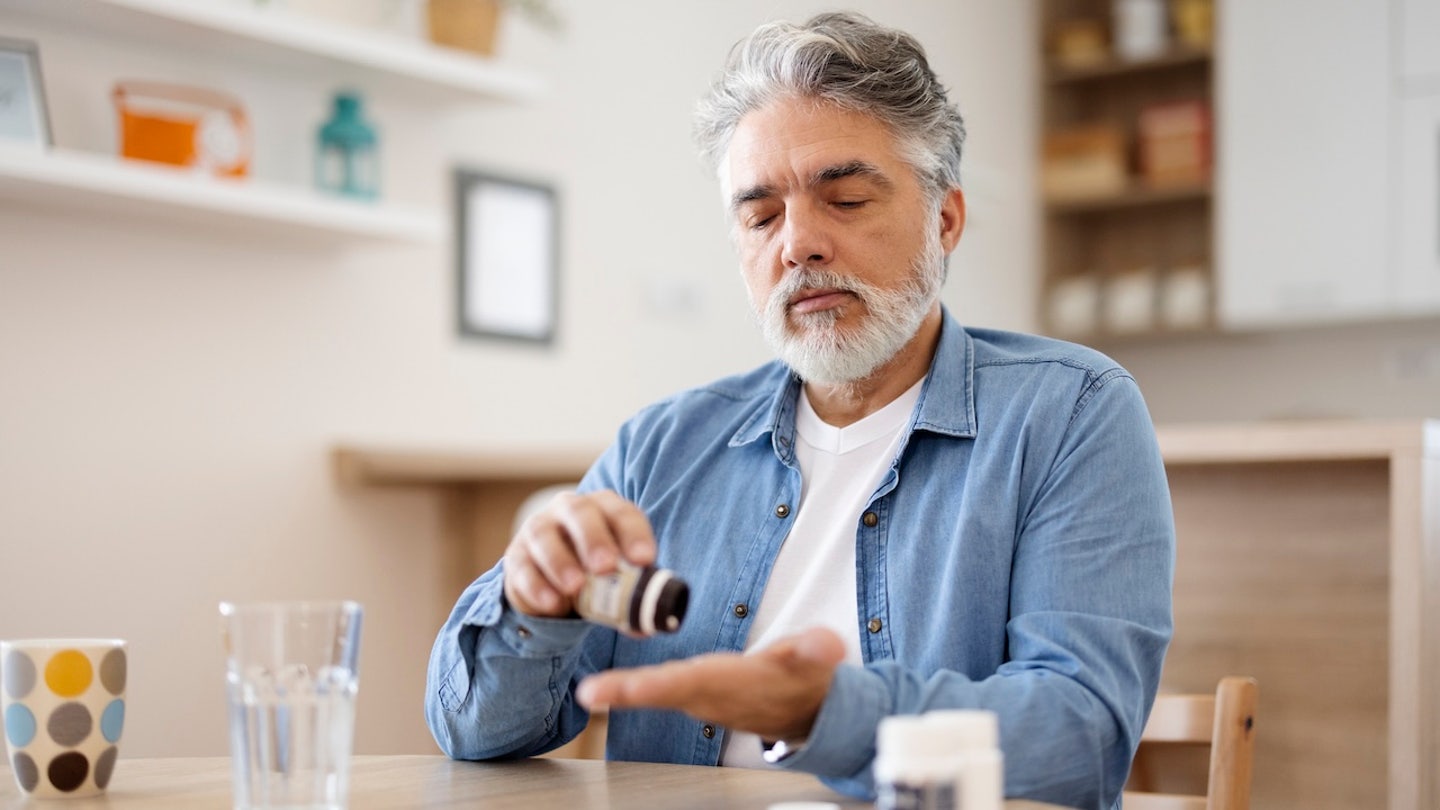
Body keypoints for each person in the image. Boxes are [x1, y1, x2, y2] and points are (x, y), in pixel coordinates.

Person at [425, 11, 1174, 810]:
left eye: (845, 199)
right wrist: (528, 602)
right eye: (760, 216)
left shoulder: (1072, 413)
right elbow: (474, 733)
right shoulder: (661, 446)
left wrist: (826, 715)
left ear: (944, 220)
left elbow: (1079, 737)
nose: (799, 245)